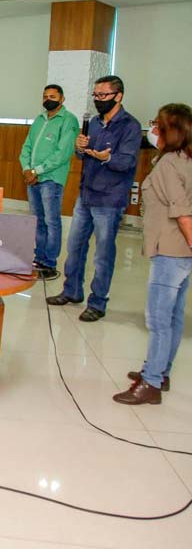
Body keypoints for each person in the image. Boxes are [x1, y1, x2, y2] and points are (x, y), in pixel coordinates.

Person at [113, 104, 192, 405]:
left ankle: (151, 384)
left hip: (172, 251)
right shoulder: (185, 158)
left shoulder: (170, 164)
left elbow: (182, 212)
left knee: (159, 319)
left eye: (157, 125)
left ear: (171, 131)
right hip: (180, 253)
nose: (153, 130)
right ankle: (160, 370)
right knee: (173, 316)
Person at [46, 75, 142, 322]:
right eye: (95, 95)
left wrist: (105, 157)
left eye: (103, 95)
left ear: (118, 96)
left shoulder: (130, 125)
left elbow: (127, 162)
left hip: (109, 200)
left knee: (102, 254)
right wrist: (80, 148)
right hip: (86, 194)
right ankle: (72, 291)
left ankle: (97, 303)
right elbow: (85, 155)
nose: (98, 100)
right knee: (75, 246)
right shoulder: (95, 123)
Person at [18, 84, 80, 281]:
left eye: (52, 96)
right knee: (37, 220)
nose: (48, 99)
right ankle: (39, 258)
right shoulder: (39, 119)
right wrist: (26, 168)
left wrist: (38, 170)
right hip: (32, 178)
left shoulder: (68, 120)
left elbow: (62, 153)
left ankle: (50, 262)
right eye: (45, 96)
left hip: (51, 178)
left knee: (51, 221)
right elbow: (27, 146)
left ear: (62, 99)